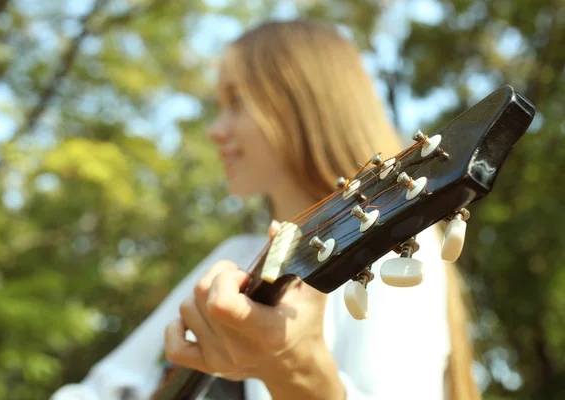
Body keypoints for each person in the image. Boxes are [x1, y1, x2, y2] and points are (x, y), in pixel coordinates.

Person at [52, 19, 480, 400]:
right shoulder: (238, 254)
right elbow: (98, 389)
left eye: (236, 101)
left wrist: (298, 373)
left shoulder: (392, 242)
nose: (215, 130)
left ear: (301, 105)